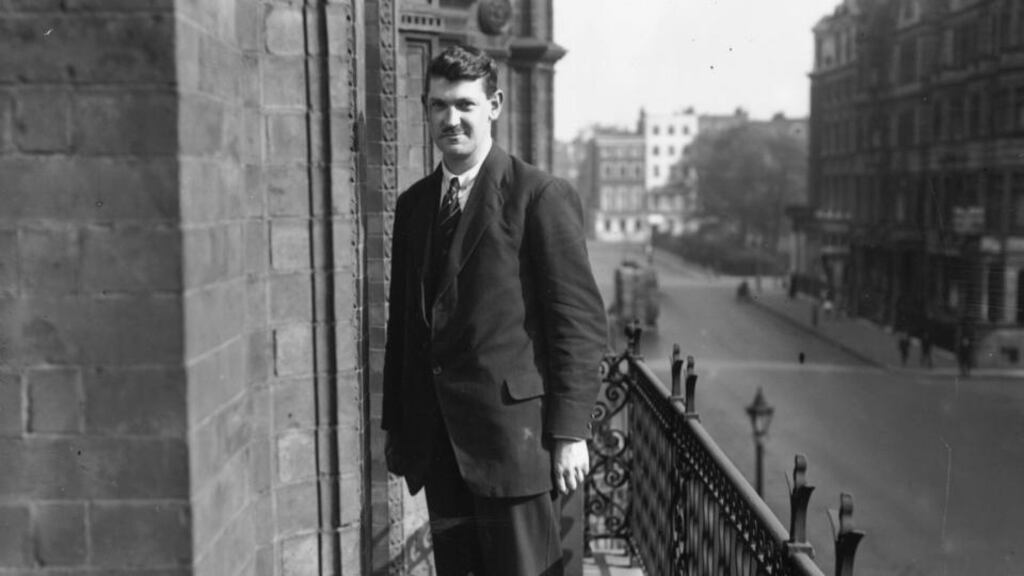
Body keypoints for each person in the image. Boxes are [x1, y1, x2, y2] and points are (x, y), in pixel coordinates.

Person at [381, 44, 607, 576]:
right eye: (438, 106)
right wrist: (396, 425)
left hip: (517, 448)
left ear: (495, 105)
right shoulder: (414, 206)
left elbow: (578, 324)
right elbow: (403, 329)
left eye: (464, 104)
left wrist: (571, 433)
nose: (450, 119)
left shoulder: (538, 195)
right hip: (441, 446)